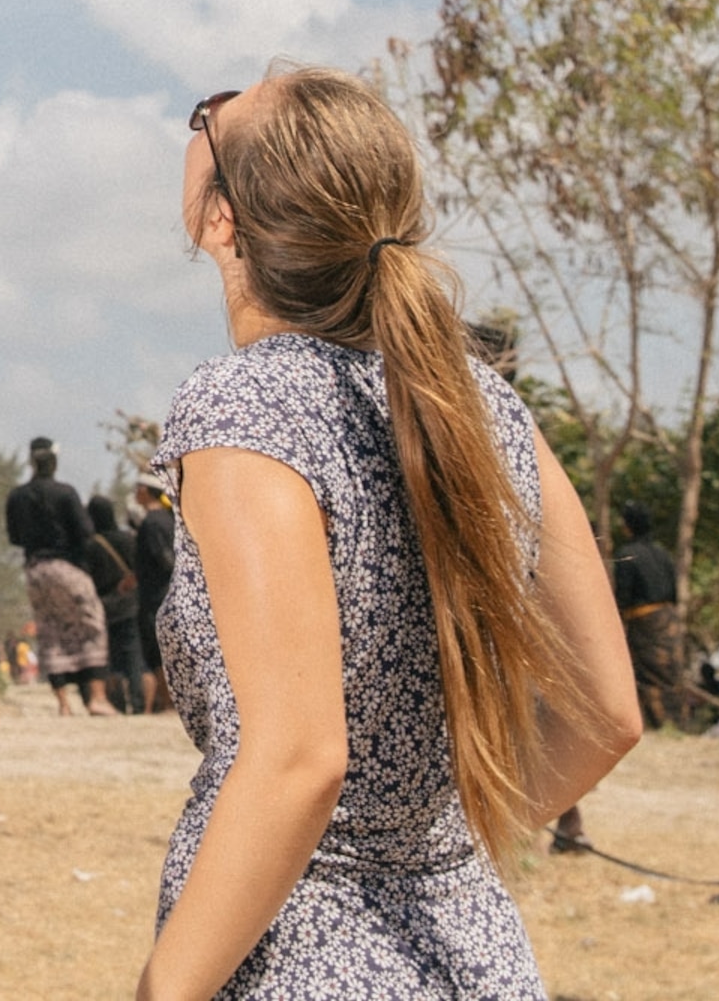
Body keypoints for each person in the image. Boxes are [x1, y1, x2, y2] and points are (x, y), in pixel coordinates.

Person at [141, 70, 640, 1001]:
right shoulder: (484, 406)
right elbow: (607, 712)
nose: (202, 107)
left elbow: (297, 762)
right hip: (473, 944)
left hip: (297, 953)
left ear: (222, 222)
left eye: (207, 112)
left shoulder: (246, 404)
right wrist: (432, 845)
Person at [7, 437, 110, 715]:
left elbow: (14, 537)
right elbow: (86, 531)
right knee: (92, 624)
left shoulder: (17, 496)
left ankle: (63, 703)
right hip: (66, 568)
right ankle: (96, 698)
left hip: (34, 571)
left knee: (50, 631)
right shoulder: (66, 493)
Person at [610, 501, 681, 731]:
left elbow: (623, 595)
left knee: (647, 673)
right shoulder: (663, 554)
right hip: (669, 619)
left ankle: (657, 723)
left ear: (627, 526)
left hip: (645, 622)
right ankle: (676, 722)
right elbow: (674, 591)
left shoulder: (627, 556)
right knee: (670, 672)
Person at [89, 492, 146, 715]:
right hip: (130, 602)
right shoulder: (127, 539)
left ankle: (117, 702)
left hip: (103, 605)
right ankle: (139, 702)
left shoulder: (92, 545)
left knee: (110, 656)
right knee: (132, 653)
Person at [133, 481, 179, 713]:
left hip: (156, 595)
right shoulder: (167, 519)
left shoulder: (152, 522)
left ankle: (168, 701)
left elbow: (163, 557)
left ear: (145, 491)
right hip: (166, 591)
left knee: (157, 648)